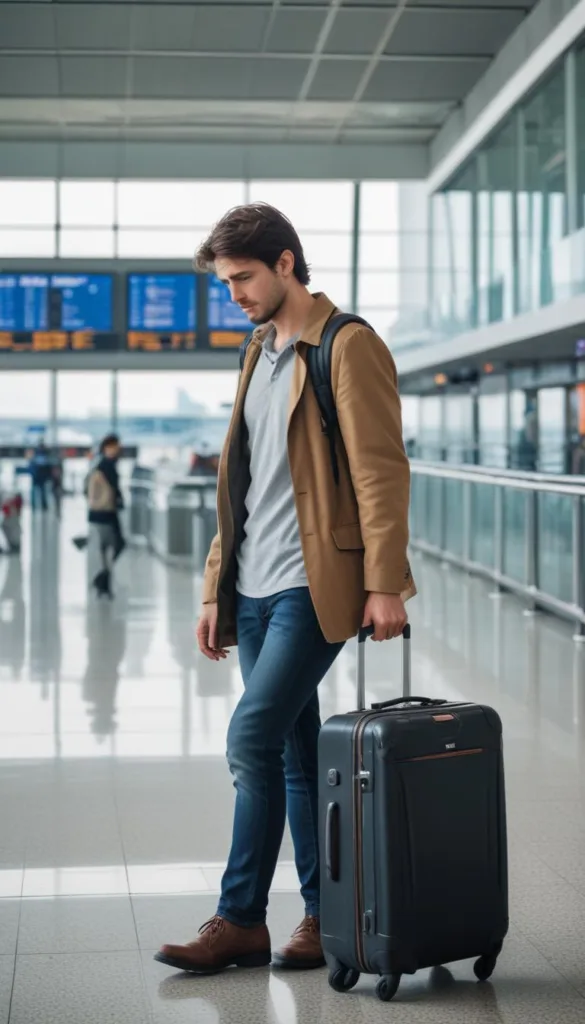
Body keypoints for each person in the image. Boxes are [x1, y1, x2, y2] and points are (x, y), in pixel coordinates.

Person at [155, 203, 415, 975]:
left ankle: (238, 917)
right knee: (296, 755)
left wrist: (384, 582)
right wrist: (213, 590)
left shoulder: (346, 345)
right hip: (254, 585)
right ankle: (316, 916)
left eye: (241, 279)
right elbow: (235, 481)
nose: (231, 294)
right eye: (224, 282)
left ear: (287, 264)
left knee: (250, 737)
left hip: (314, 582)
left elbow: (379, 470)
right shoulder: (256, 352)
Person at [87, 434, 126, 597]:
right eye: (114, 446)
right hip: (103, 512)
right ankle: (102, 581)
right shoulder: (104, 466)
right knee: (113, 545)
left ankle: (103, 581)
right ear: (106, 447)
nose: (117, 449)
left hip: (108, 512)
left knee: (111, 546)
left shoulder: (108, 465)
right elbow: (96, 491)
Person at [29, 441, 52, 512]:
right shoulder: (44, 456)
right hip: (39, 478)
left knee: (41, 492)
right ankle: (40, 505)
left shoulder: (38, 456)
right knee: (39, 492)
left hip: (39, 478)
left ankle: (39, 505)